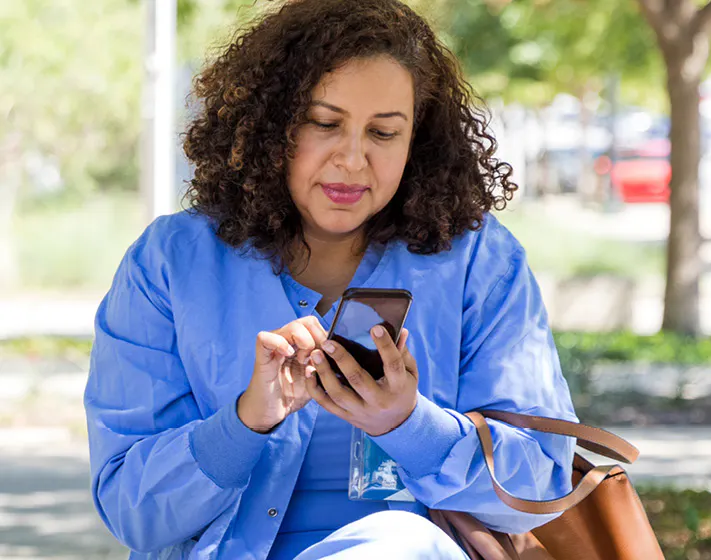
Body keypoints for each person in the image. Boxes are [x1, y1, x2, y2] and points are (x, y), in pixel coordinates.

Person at [83, 1, 578, 558]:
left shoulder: (480, 263)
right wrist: (246, 421)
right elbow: (132, 511)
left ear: (417, 141)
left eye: (384, 133)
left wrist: (410, 425)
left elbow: (542, 482)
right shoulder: (169, 263)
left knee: (404, 544)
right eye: (324, 123)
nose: (352, 159)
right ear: (271, 124)